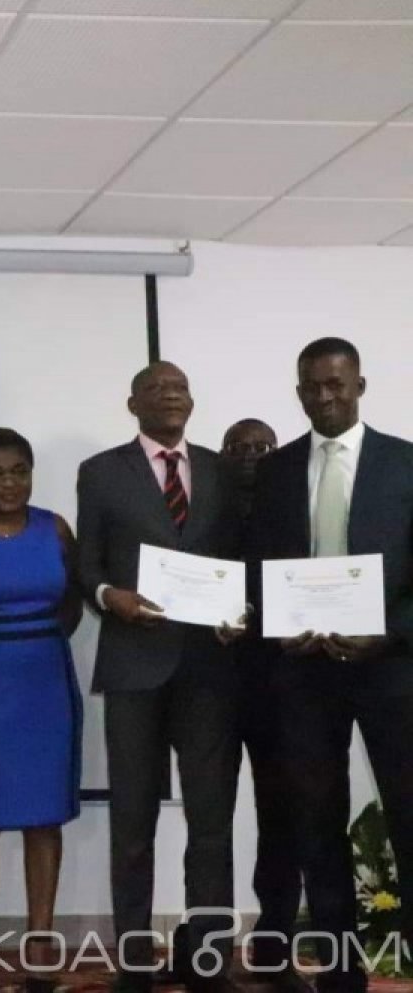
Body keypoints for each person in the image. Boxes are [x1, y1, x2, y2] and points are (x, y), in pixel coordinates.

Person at [249, 338, 413, 993]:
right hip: (304, 673)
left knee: (408, 812)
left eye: (337, 385)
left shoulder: (406, 464)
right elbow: (262, 568)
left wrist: (387, 633)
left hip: (391, 669)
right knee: (317, 818)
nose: (325, 397)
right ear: (298, 392)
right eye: (313, 386)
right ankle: (339, 968)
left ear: (360, 385)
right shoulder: (276, 470)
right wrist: (276, 624)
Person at [75, 361, 242, 993]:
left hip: (209, 672)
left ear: (192, 401)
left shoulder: (223, 471)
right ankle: (135, 962)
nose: (171, 396)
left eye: (180, 388)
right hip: (134, 668)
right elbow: (87, 562)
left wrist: (241, 612)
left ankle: (208, 959)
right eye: (157, 389)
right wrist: (105, 593)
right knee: (133, 825)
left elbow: (242, 561)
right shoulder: (101, 471)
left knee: (210, 824)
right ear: (132, 403)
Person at [0, 428, 81, 993]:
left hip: (46, 678)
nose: (9, 483)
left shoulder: (55, 527)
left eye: (20, 470)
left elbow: (76, 597)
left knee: (44, 816)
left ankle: (40, 944)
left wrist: (47, 637)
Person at [220, 419, 303, 986]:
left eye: (262, 447)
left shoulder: (294, 512)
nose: (251, 456)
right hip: (215, 688)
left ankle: (275, 943)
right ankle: (204, 943)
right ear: (223, 456)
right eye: (240, 447)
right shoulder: (205, 514)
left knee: (283, 820)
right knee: (209, 822)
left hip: (283, 688)